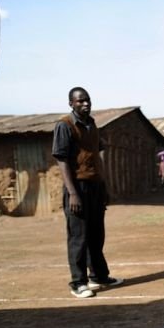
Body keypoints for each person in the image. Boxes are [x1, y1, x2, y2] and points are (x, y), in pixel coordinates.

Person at [52, 87, 123, 298]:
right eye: (80, 101)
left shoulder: (92, 124)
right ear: (71, 104)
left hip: (95, 187)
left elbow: (95, 156)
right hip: (77, 187)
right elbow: (62, 160)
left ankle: (99, 276)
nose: (85, 104)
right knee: (79, 236)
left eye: (87, 100)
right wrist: (72, 193)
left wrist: (104, 186)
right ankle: (78, 282)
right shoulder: (65, 126)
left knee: (96, 234)